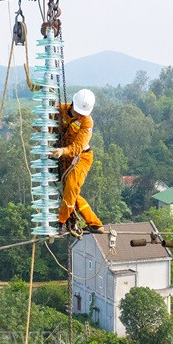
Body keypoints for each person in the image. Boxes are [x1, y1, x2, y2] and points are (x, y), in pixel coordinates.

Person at [50, 89, 103, 235]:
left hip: (81, 157)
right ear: (72, 104)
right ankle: (95, 223)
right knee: (71, 193)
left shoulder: (87, 122)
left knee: (72, 186)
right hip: (65, 158)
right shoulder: (61, 109)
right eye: (77, 111)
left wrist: (63, 151)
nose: (79, 115)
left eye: (82, 113)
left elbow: (78, 147)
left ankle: (62, 222)